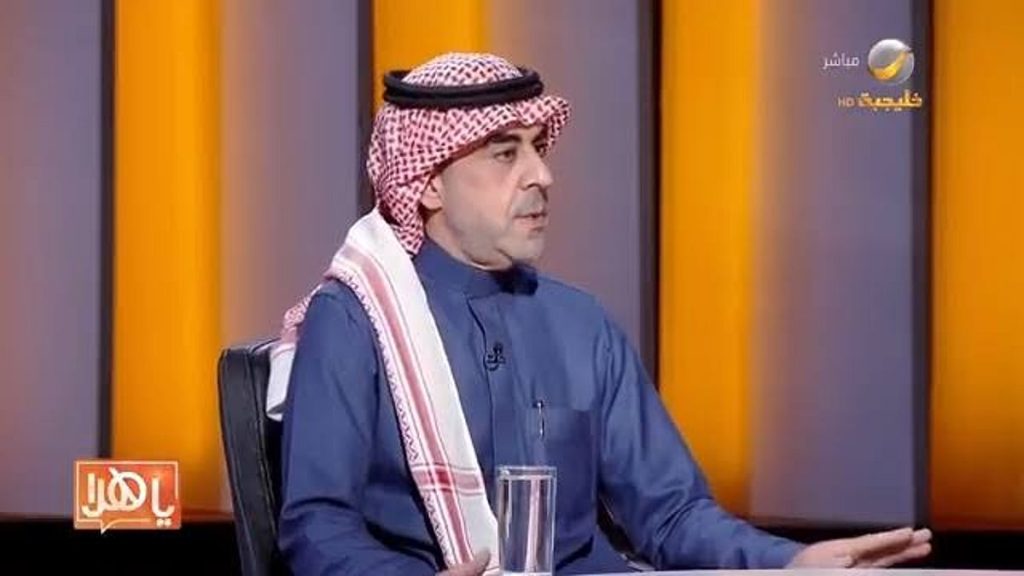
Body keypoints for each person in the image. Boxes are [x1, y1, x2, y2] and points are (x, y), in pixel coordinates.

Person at [268, 52, 932, 576]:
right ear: (430, 182)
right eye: (506, 153)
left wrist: (790, 563)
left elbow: (670, 517)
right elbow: (318, 527)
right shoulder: (355, 320)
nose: (542, 176)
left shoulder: (581, 325)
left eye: (539, 148)